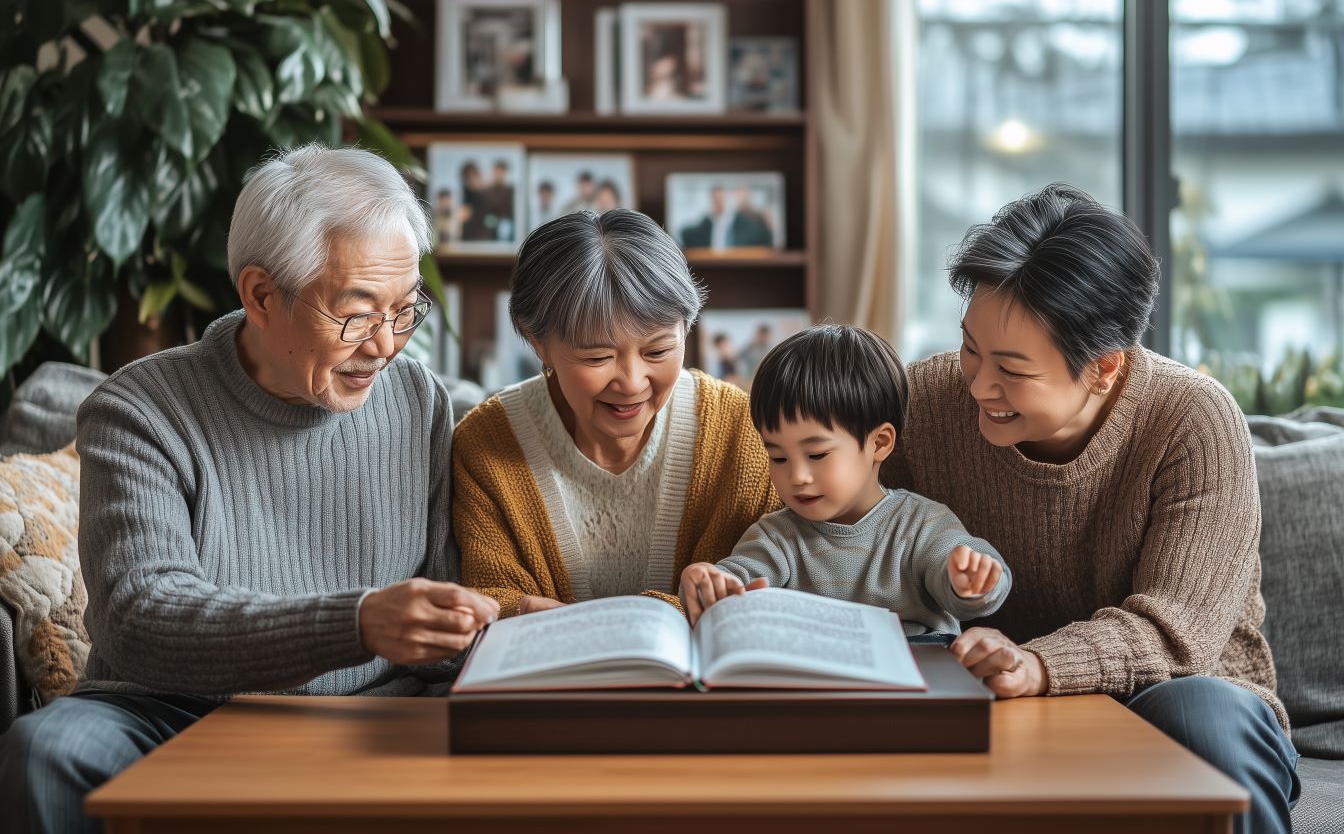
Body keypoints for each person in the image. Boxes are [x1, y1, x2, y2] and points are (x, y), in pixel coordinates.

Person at [0, 145, 499, 833]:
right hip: (175, 708)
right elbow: (141, 617)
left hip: (379, 707)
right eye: (356, 314)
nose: (386, 345)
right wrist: (356, 622)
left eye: (405, 309)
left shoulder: (417, 398)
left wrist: (486, 625)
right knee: (44, 752)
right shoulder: (140, 409)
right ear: (262, 296)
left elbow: (439, 612)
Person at [883, 183, 1300, 834]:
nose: (979, 384)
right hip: (992, 703)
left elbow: (1175, 634)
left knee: (1206, 715)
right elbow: (851, 534)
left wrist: (1039, 665)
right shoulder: (925, 403)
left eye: (1013, 369)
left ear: (1104, 367)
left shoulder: (1193, 419)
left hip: (1171, 700)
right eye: (971, 348)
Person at [452, 209, 778, 617]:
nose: (631, 381)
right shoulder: (486, 444)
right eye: (598, 357)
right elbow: (487, 601)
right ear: (538, 342)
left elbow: (772, 586)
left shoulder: (740, 428)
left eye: (657, 351)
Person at [680, 325, 1010, 636]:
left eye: (817, 455)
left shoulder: (922, 525)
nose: (797, 476)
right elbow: (736, 578)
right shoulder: (776, 537)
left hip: (915, 682)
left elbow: (965, 571)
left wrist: (971, 580)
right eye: (778, 457)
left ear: (879, 443)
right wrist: (710, 583)